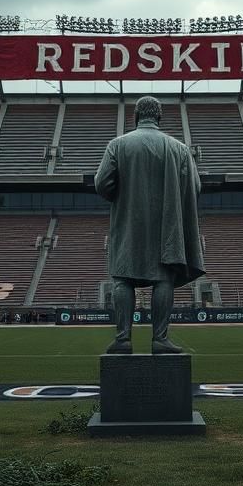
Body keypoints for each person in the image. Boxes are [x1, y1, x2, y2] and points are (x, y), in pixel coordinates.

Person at [94, 96, 205, 354]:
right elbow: (196, 188)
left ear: (135, 116)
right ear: (159, 117)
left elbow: (102, 184)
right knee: (163, 279)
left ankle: (123, 339)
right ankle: (160, 339)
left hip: (128, 224)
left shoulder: (118, 145)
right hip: (167, 226)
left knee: (122, 279)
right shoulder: (178, 148)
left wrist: (122, 195)